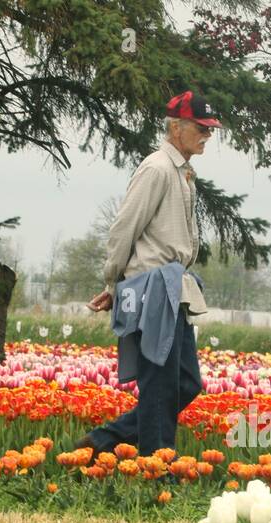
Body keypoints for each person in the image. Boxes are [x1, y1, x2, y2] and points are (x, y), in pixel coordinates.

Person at [76, 91, 222, 456]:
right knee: (159, 385)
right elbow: (123, 229)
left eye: (211, 129)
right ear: (176, 127)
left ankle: (105, 440)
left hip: (174, 288)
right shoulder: (157, 169)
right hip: (153, 288)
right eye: (201, 128)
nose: (208, 135)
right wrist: (114, 283)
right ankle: (156, 467)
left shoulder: (182, 171)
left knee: (186, 383)